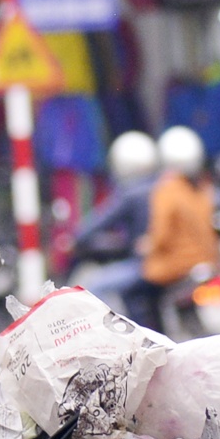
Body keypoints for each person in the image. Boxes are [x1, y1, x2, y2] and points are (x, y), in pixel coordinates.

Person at [70, 131, 158, 318]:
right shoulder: (165, 186)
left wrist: (75, 238)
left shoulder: (130, 194)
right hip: (169, 261)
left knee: (93, 288)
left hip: (148, 264)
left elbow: (99, 220)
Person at [140, 126, 220, 306]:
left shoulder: (166, 192)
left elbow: (161, 235)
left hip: (176, 266)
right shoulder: (204, 189)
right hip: (208, 261)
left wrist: (147, 246)